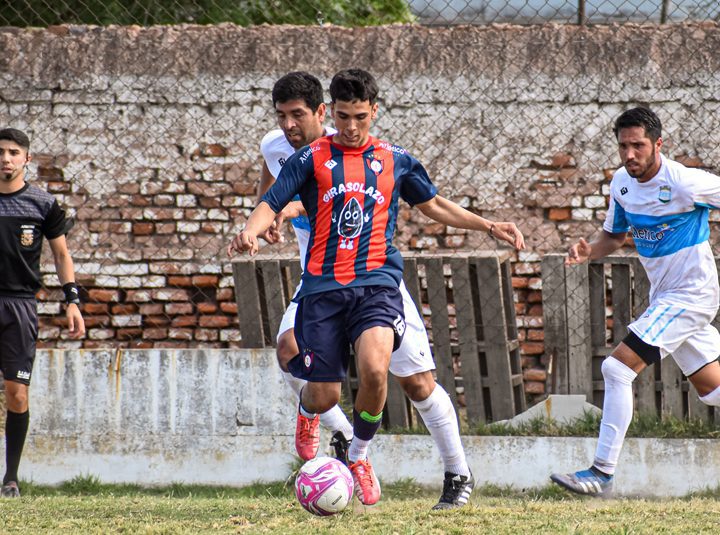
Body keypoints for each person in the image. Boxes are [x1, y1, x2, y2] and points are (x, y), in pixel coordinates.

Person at [229, 69, 525, 506]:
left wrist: (487, 224)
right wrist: (260, 224)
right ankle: (339, 433)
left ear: (321, 112)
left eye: (297, 116)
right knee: (291, 352)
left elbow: (431, 202)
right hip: (321, 283)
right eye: (281, 117)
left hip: (376, 283)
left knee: (414, 382)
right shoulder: (289, 153)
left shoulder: (382, 157)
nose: (288, 126)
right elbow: (272, 193)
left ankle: (454, 473)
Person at [550, 107, 720, 496]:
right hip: (666, 297)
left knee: (616, 369)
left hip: (691, 295)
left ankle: (602, 472)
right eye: (623, 146)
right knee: (712, 390)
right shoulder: (621, 185)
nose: (629, 155)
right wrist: (588, 252)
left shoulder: (684, 182)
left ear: (658, 144)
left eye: (638, 145)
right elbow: (615, 236)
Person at [0, 128, 85, 498]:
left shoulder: (42, 203)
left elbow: (62, 255)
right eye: (0, 152)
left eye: (13, 152)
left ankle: (11, 478)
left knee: (17, 393)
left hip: (19, 305)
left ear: (26, 159)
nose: (5, 159)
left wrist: (72, 301)